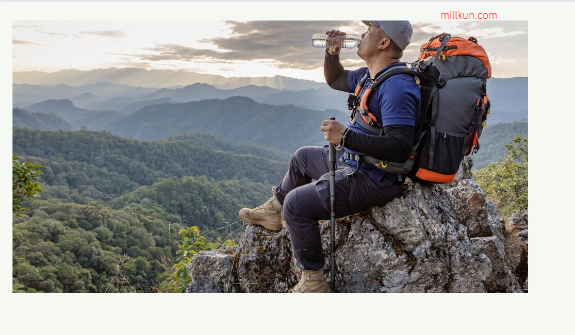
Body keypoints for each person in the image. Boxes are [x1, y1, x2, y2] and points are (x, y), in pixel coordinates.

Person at [239, 21, 421, 293]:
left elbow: (399, 147)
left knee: (297, 204)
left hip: (374, 177)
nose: (362, 34)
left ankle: (314, 281)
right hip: (353, 160)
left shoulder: (396, 88)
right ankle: (275, 212)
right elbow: (335, 79)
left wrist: (346, 137)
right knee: (302, 158)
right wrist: (331, 53)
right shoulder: (369, 75)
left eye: (370, 30)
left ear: (384, 43)